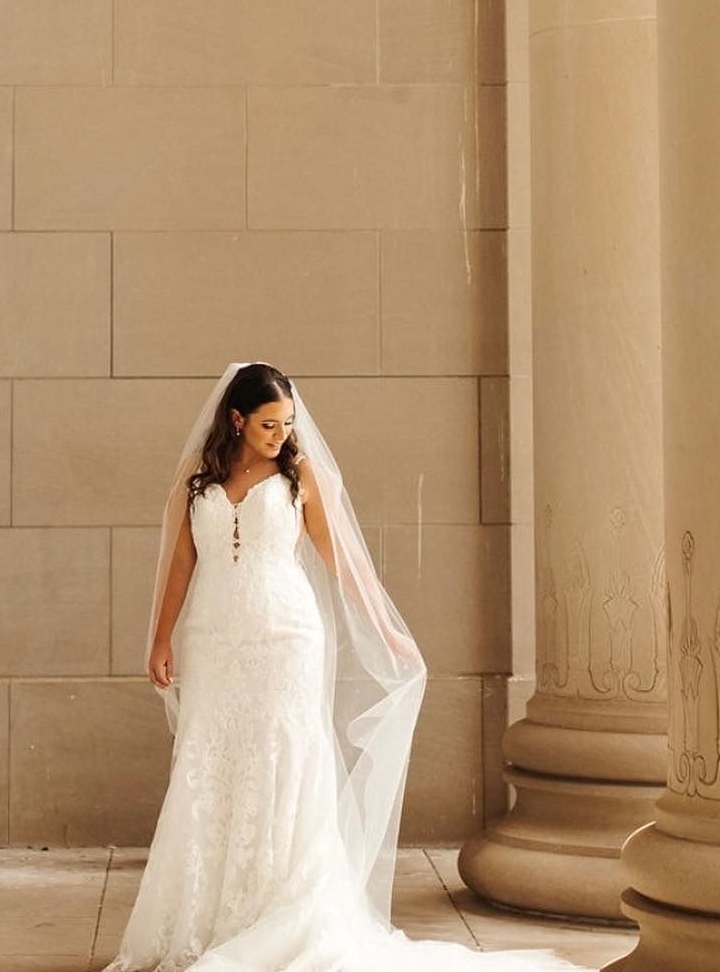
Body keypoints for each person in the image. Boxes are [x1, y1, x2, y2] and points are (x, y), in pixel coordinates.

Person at [102, 360, 588, 972]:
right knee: (210, 760)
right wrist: (160, 638)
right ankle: (203, 920)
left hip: (285, 639)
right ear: (237, 420)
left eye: (287, 423)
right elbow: (181, 562)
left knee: (283, 761)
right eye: (269, 424)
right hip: (214, 640)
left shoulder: (299, 474)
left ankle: (276, 915)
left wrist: (385, 628)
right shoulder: (201, 477)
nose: (281, 434)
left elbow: (342, 560)